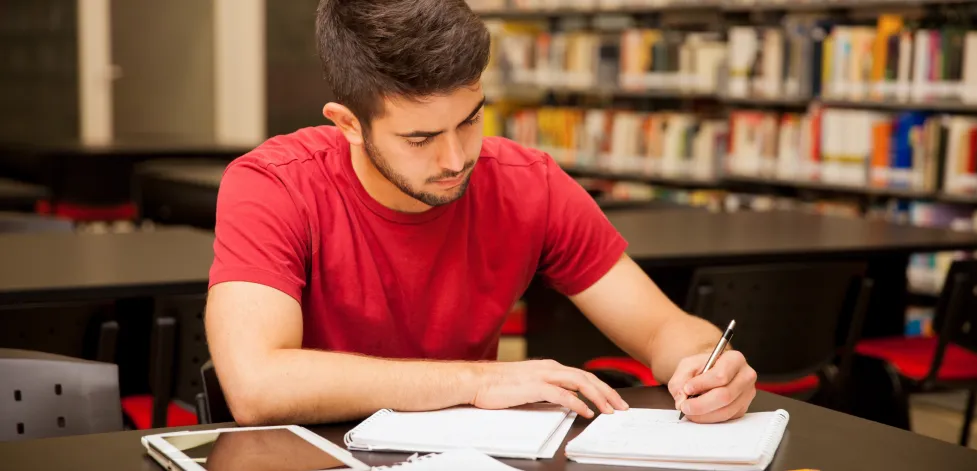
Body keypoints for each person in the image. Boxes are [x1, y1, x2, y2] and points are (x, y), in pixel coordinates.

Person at [205, 0, 757, 427]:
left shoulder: (527, 183)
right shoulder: (274, 184)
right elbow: (257, 385)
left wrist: (710, 364)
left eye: (470, 120)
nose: (455, 159)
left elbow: (662, 329)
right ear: (347, 123)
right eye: (420, 138)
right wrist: (477, 381)